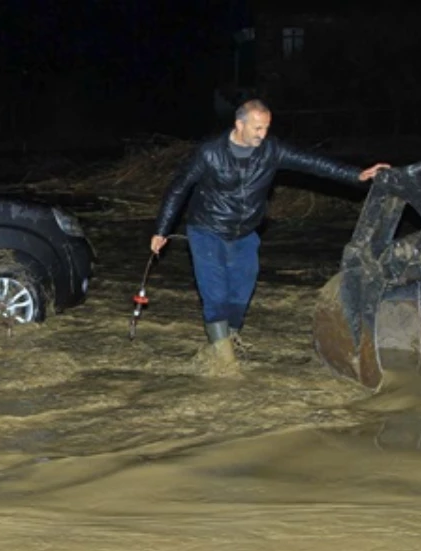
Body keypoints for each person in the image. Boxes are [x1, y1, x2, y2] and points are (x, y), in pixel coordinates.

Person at [150, 99, 389, 358]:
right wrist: (161, 231)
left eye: (266, 128)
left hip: (246, 233)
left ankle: (228, 341)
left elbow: (313, 163)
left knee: (240, 296)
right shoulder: (210, 153)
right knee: (216, 295)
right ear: (239, 124)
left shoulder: (271, 150)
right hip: (208, 230)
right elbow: (178, 188)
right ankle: (224, 361)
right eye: (257, 128)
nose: (262, 135)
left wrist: (357, 175)